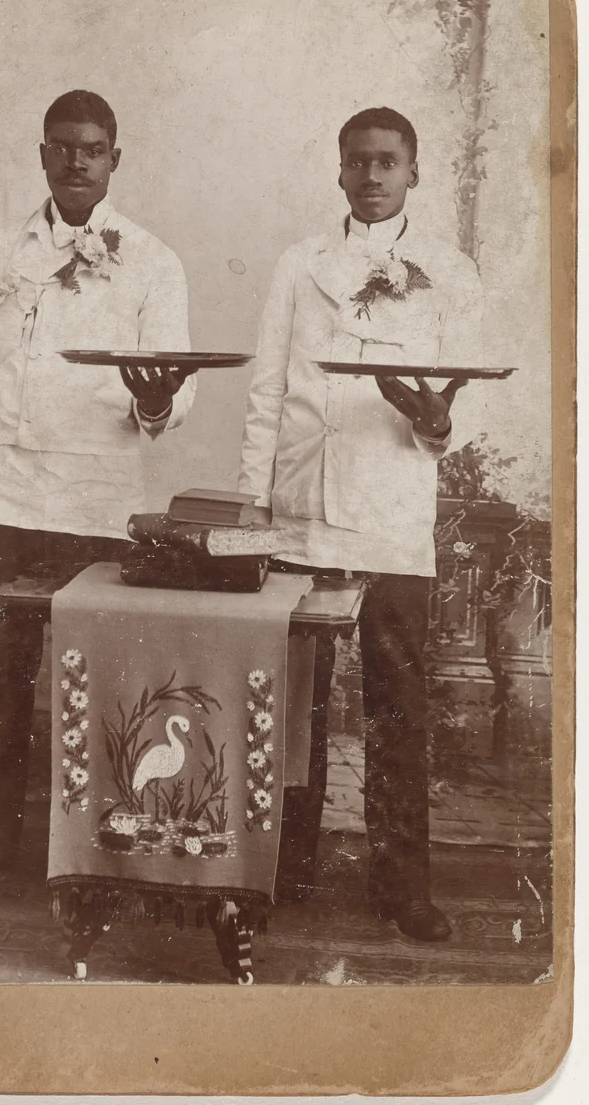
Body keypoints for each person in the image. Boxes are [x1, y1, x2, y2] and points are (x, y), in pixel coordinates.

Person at [0, 90, 196, 889]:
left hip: (98, 503)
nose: (77, 161)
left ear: (116, 159)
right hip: (6, 497)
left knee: (100, 686)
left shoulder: (153, 261)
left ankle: (93, 853)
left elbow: (174, 389)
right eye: (62, 147)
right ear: (43, 155)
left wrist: (157, 400)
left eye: (93, 148)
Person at [239, 106, 486, 941]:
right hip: (302, 509)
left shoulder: (448, 271)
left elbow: (466, 400)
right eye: (358, 161)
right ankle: (285, 868)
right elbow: (268, 390)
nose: (372, 175)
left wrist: (437, 421)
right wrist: (254, 501)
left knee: (397, 703)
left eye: (388, 161)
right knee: (293, 702)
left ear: (414, 172)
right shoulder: (299, 264)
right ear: (339, 171)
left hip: (389, 511)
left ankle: (401, 885)